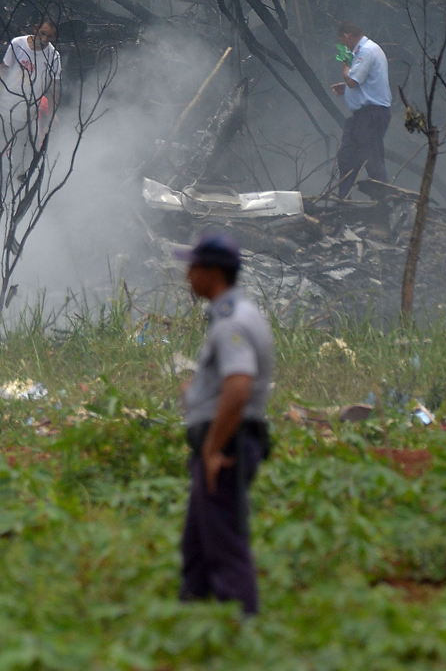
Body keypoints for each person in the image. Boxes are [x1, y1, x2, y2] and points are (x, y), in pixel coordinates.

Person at [176, 231, 274, 616]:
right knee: (197, 544)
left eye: (193, 267)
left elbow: (238, 386)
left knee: (225, 545)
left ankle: (240, 631)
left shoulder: (232, 323)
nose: (187, 275)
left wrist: (214, 448)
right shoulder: (231, 315)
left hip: (228, 446)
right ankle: (193, 622)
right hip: (221, 442)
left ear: (212, 273)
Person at [330, 20, 391, 198]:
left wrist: (345, 62)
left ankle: (381, 204)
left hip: (372, 115)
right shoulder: (363, 50)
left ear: (347, 36)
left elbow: (353, 79)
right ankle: (344, 201)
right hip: (362, 116)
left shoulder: (366, 51)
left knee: (372, 158)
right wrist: (347, 89)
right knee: (346, 157)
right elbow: (360, 82)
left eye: (342, 41)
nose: (342, 45)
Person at [0, 18, 61, 137]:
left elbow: (53, 89)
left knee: (23, 152)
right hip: (4, 108)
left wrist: (51, 116)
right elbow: (2, 72)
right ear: (36, 29)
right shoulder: (17, 44)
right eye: (43, 33)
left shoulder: (54, 56)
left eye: (50, 37)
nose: (45, 39)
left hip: (28, 115)